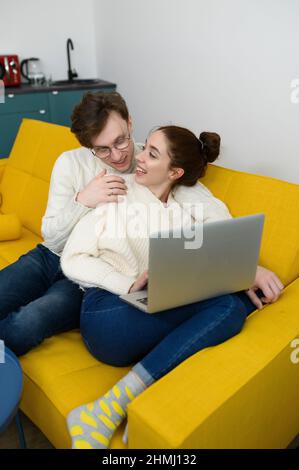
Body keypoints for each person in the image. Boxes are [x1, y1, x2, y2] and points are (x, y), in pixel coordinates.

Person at [0, 91, 282, 356]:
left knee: (27, 323)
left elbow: (209, 210)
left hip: (88, 277)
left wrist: (238, 267)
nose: (119, 155)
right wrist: (84, 201)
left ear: (130, 123)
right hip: (51, 254)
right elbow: (52, 235)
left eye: (121, 141)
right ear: (88, 148)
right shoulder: (70, 164)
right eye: (103, 149)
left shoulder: (150, 162)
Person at [60, 124, 284, 450]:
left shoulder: (188, 206)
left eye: (152, 153)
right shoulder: (116, 192)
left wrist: (246, 270)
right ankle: (110, 406)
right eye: (144, 147)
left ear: (175, 171)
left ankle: (106, 408)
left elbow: (223, 236)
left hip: (156, 307)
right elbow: (72, 258)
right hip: (108, 313)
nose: (139, 157)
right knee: (231, 305)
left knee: (232, 307)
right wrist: (127, 283)